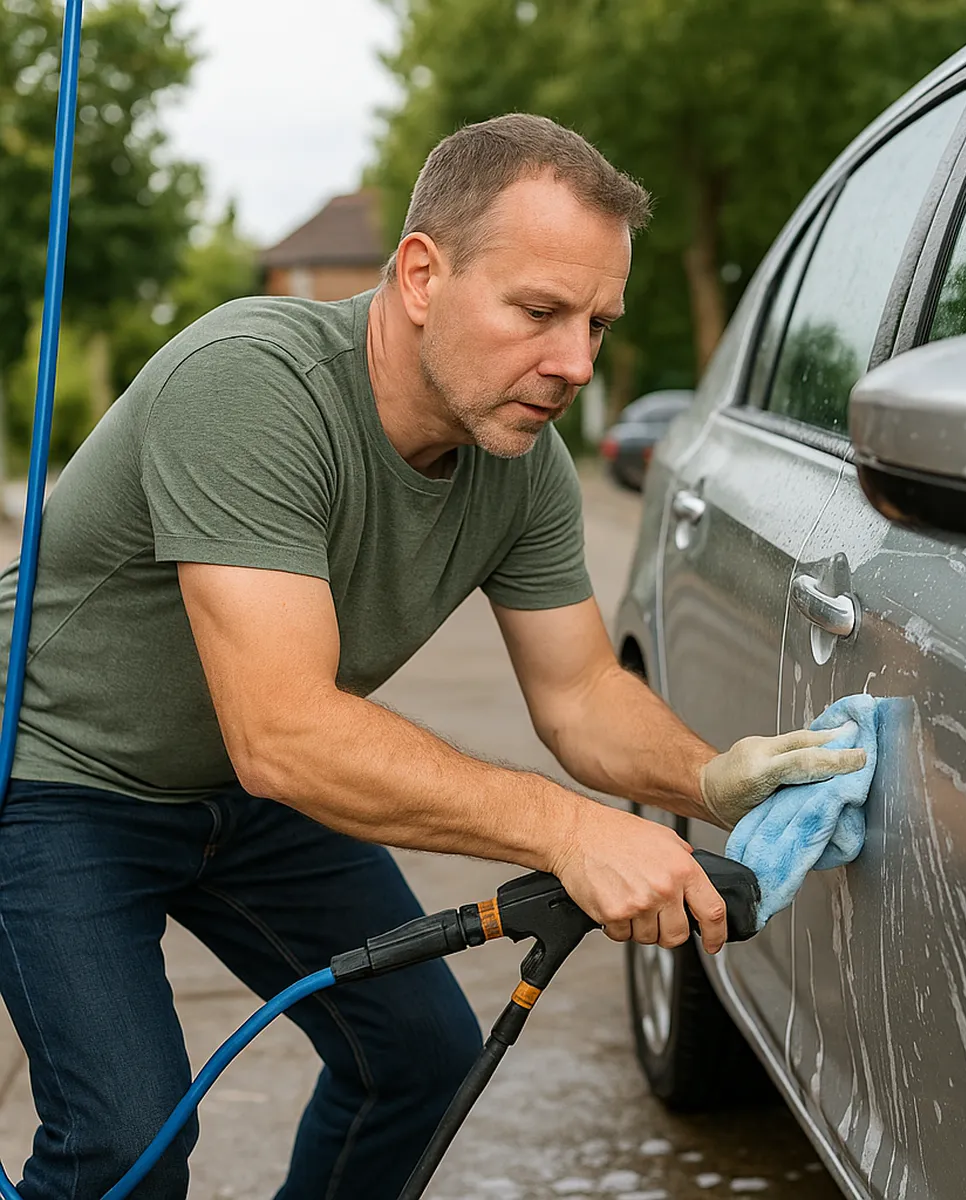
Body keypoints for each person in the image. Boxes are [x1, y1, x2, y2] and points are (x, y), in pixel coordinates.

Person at [0, 113, 863, 1199]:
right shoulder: (250, 388)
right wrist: (567, 829)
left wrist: (711, 777)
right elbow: (284, 734)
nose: (573, 363)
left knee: (419, 1063)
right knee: (123, 1148)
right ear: (420, 273)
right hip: (52, 780)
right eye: (540, 312)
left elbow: (583, 690)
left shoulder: (522, 461)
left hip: (233, 792)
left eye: (598, 323)